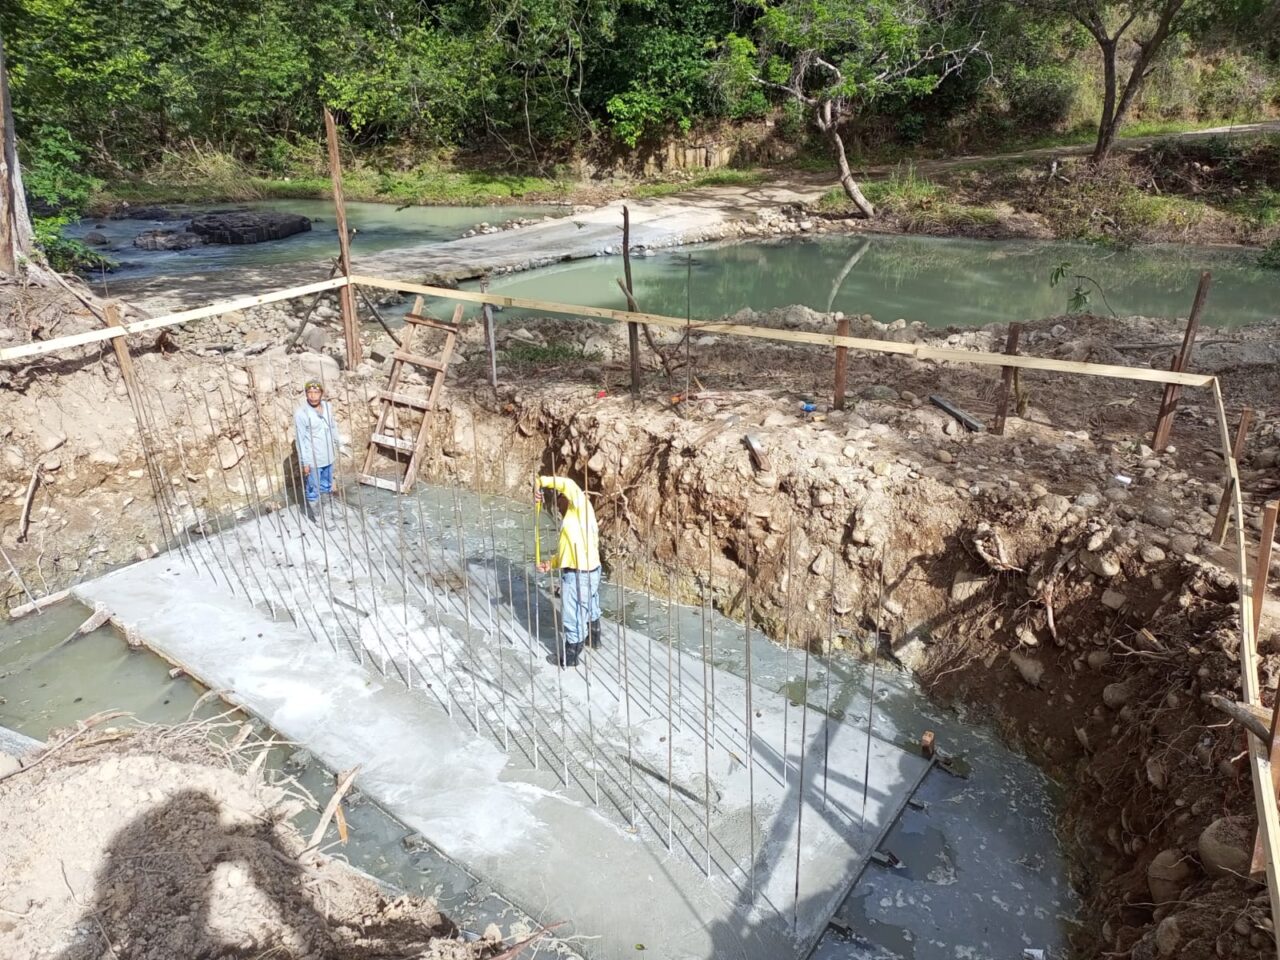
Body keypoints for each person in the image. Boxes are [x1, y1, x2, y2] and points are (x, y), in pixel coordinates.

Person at [535, 474, 601, 668]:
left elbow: (569, 484)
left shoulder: (580, 507)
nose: (557, 507)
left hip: (577, 575)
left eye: (559, 501)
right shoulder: (577, 520)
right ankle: (594, 639)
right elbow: (571, 550)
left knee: (572, 615)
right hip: (591, 570)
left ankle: (571, 656)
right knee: (589, 606)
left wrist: (541, 482)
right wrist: (551, 563)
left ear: (568, 498)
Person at [294, 379, 340, 523]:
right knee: (313, 489)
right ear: (306, 394)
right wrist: (305, 462)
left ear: (321, 393)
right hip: (313, 459)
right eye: (310, 392)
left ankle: (326, 512)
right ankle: (318, 517)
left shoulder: (327, 407)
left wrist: (338, 444)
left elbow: (333, 427)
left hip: (328, 456)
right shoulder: (301, 414)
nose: (313, 396)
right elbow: (300, 440)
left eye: (316, 392)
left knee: (326, 485)